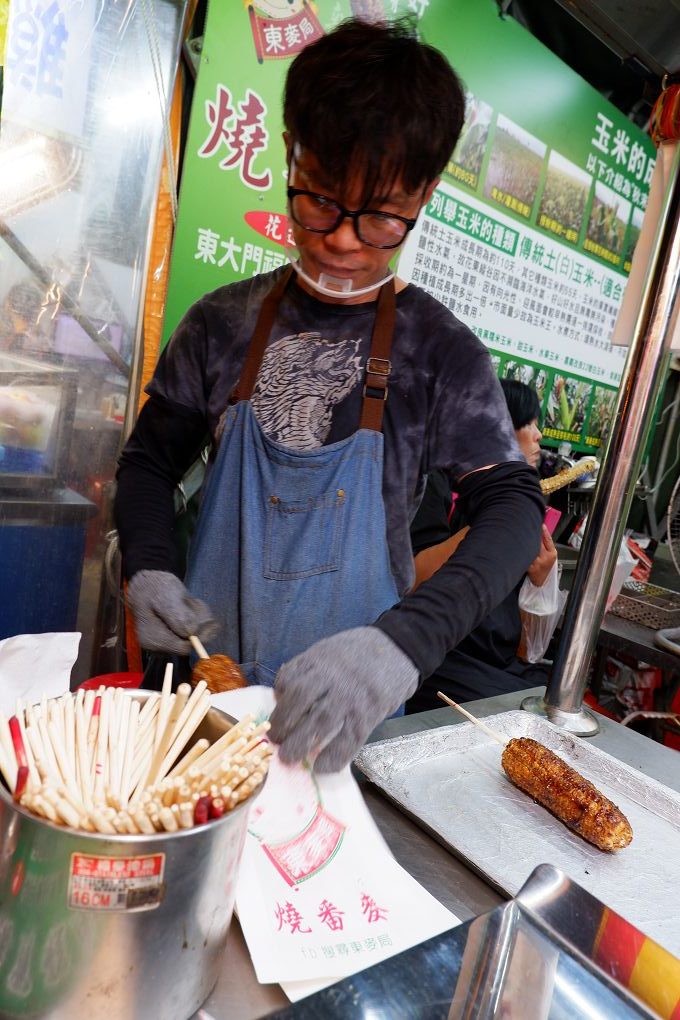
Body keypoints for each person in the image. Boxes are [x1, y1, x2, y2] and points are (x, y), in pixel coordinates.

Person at [114, 19, 544, 773]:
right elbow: (150, 461)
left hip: (343, 725)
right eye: (318, 200)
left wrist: (404, 643)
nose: (342, 240)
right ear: (290, 153)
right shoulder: (223, 323)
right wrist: (148, 561)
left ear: (425, 194)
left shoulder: (437, 350)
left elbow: (511, 509)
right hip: (198, 708)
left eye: (380, 217)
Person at [407, 379, 556, 712]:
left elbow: (526, 650)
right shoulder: (434, 481)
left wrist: (540, 579)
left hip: (494, 662)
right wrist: (496, 528)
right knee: (519, 707)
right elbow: (414, 579)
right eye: (527, 423)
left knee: (555, 694)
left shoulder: (524, 505)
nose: (538, 434)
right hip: (442, 652)